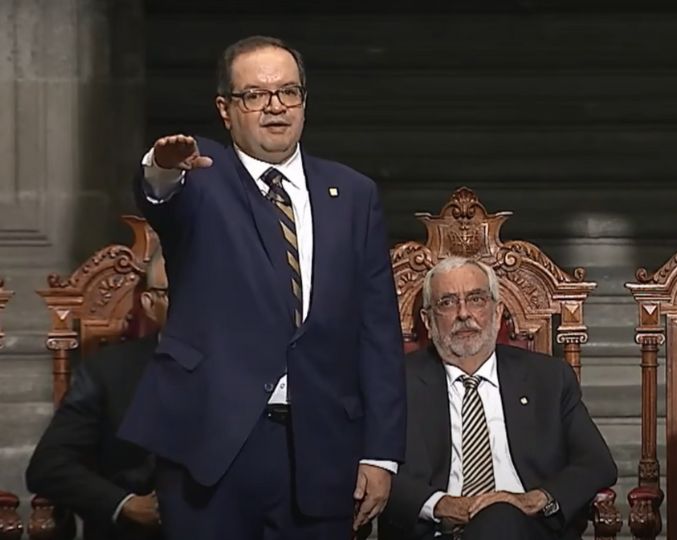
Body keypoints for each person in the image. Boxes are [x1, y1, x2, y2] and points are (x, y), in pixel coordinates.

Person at [117, 35, 406, 539]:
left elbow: (377, 330)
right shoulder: (201, 177)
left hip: (322, 446)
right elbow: (158, 195)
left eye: (288, 92)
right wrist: (161, 167)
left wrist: (381, 453)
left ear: (304, 101)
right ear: (225, 110)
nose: (275, 106)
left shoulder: (354, 193)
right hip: (212, 445)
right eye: (254, 95)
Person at [378, 257, 617, 540]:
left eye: (476, 299)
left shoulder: (549, 378)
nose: (464, 313)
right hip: (436, 531)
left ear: (497, 311)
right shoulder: (394, 383)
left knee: (500, 517)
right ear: (428, 321)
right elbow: (373, 471)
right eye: (447, 302)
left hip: (528, 530)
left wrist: (535, 499)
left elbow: (597, 463)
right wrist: (439, 505)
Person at [26, 248, 168, 540]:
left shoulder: (242, 369)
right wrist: (125, 505)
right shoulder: (108, 371)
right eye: (179, 291)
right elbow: (49, 465)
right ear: (150, 303)